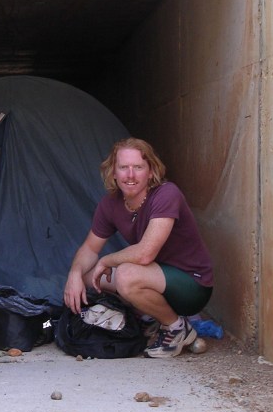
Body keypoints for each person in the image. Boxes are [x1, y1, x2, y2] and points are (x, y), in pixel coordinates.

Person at [63, 137, 213, 358]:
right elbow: (89, 248)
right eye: (123, 167)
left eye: (138, 167)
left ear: (151, 171)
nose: (130, 175)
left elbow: (145, 253)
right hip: (155, 277)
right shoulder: (111, 204)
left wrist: (106, 261)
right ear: (113, 172)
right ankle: (150, 318)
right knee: (89, 277)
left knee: (125, 275)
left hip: (191, 284)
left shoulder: (166, 194)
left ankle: (176, 327)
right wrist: (74, 274)